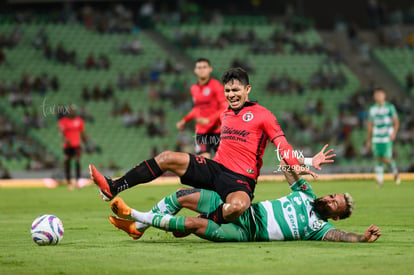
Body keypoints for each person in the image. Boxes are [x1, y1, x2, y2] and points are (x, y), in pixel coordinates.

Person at [90, 67, 315, 225]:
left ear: (248, 89)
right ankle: (114, 187)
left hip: (240, 180)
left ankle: (198, 222)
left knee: (238, 208)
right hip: (215, 169)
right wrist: (201, 142)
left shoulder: (264, 115)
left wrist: (300, 162)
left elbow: (282, 146)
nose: (231, 95)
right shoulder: (225, 114)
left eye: (236, 90)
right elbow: (212, 134)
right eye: (228, 91)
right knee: (167, 157)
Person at [107, 148, 381, 243]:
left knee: (192, 224)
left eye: (336, 204)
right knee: (181, 195)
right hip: (244, 208)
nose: (331, 198)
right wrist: (307, 160)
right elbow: (283, 162)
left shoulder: (320, 229)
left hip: (244, 232)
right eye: (333, 195)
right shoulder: (305, 193)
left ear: (337, 216)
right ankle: (139, 228)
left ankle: (134, 216)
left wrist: (363, 238)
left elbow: (345, 237)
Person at [176, 58, 227, 158]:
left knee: (223, 163)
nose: (202, 70)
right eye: (199, 67)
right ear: (195, 70)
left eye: (204, 67)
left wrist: (209, 119)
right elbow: (197, 109)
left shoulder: (216, 86)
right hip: (201, 131)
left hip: (217, 130)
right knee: (203, 162)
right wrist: (184, 120)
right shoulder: (194, 89)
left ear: (210, 69)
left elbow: (225, 107)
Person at [366, 88, 400, 186]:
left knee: (387, 159)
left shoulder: (390, 107)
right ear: (374, 97)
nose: (378, 96)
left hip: (386, 137)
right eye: (377, 95)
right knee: (378, 159)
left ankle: (395, 173)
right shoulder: (372, 109)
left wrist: (394, 133)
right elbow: (370, 125)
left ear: (384, 96)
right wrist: (368, 140)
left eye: (380, 94)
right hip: (376, 138)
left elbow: (396, 121)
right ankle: (380, 181)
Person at [58, 105, 87, 190]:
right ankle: (69, 182)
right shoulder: (63, 121)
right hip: (67, 146)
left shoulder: (79, 121)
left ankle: (78, 181)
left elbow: (82, 133)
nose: (71, 112)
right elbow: (61, 134)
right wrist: (65, 140)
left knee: (77, 161)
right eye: (70, 110)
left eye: (73, 110)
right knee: (67, 162)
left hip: (76, 145)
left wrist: (85, 143)